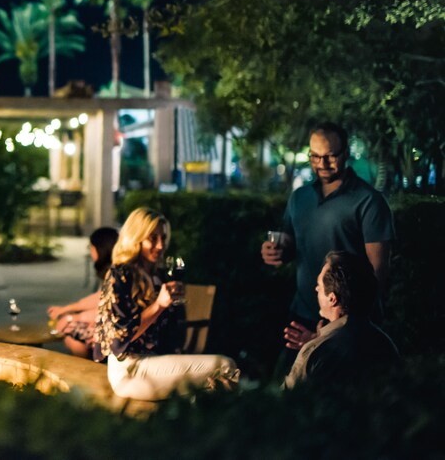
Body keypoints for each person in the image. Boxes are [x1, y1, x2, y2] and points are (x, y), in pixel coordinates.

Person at [262, 122, 394, 374]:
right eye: (315, 156)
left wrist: (340, 327)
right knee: (290, 391)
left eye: (331, 156)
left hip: (349, 323)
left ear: (345, 153)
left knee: (335, 400)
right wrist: (274, 252)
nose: (322, 163)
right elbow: (291, 244)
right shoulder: (299, 198)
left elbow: (378, 272)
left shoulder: (369, 202)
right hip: (302, 312)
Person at [94, 208, 238, 400]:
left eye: (163, 237)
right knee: (225, 367)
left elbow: (171, 335)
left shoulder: (158, 275)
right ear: (136, 238)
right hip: (129, 369)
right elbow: (119, 340)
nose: (160, 245)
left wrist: (174, 307)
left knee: (211, 387)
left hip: (156, 363)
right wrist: (159, 306)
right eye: (152, 238)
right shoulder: (120, 275)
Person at [285, 251, 399, 388]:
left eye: (319, 286)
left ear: (332, 299)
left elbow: (288, 400)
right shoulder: (385, 344)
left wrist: (314, 348)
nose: (316, 289)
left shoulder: (317, 351)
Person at [47, 226, 119, 359]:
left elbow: (108, 308)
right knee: (71, 320)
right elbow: (100, 299)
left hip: (114, 329)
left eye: (91, 248)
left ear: (99, 249)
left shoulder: (117, 274)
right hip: (110, 324)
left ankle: (87, 367)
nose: (91, 252)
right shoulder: (113, 270)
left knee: (70, 330)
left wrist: (71, 318)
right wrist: (66, 310)